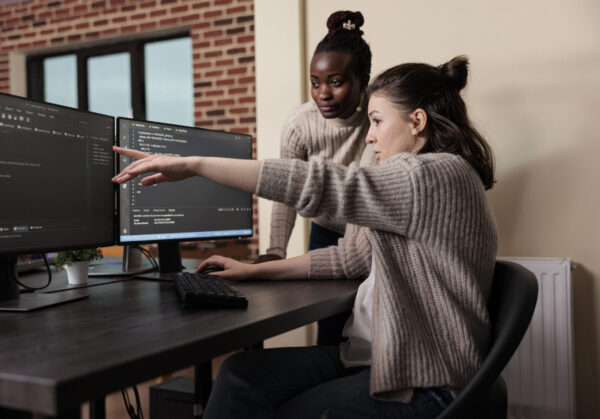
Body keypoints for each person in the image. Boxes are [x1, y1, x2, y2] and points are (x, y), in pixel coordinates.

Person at [112, 55, 498, 419]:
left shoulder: (437, 176)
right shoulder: (418, 184)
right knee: (239, 374)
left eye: (378, 121)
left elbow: (319, 183)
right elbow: (353, 258)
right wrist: (253, 271)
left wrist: (196, 165)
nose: (370, 138)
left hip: (424, 381)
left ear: (416, 122)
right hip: (371, 358)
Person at [258, 10, 374, 345]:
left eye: (335, 82)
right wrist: (276, 251)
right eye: (315, 82)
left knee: (371, 322)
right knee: (330, 329)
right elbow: (286, 191)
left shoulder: (377, 118)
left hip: (369, 235)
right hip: (325, 233)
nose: (323, 93)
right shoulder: (300, 124)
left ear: (362, 80)